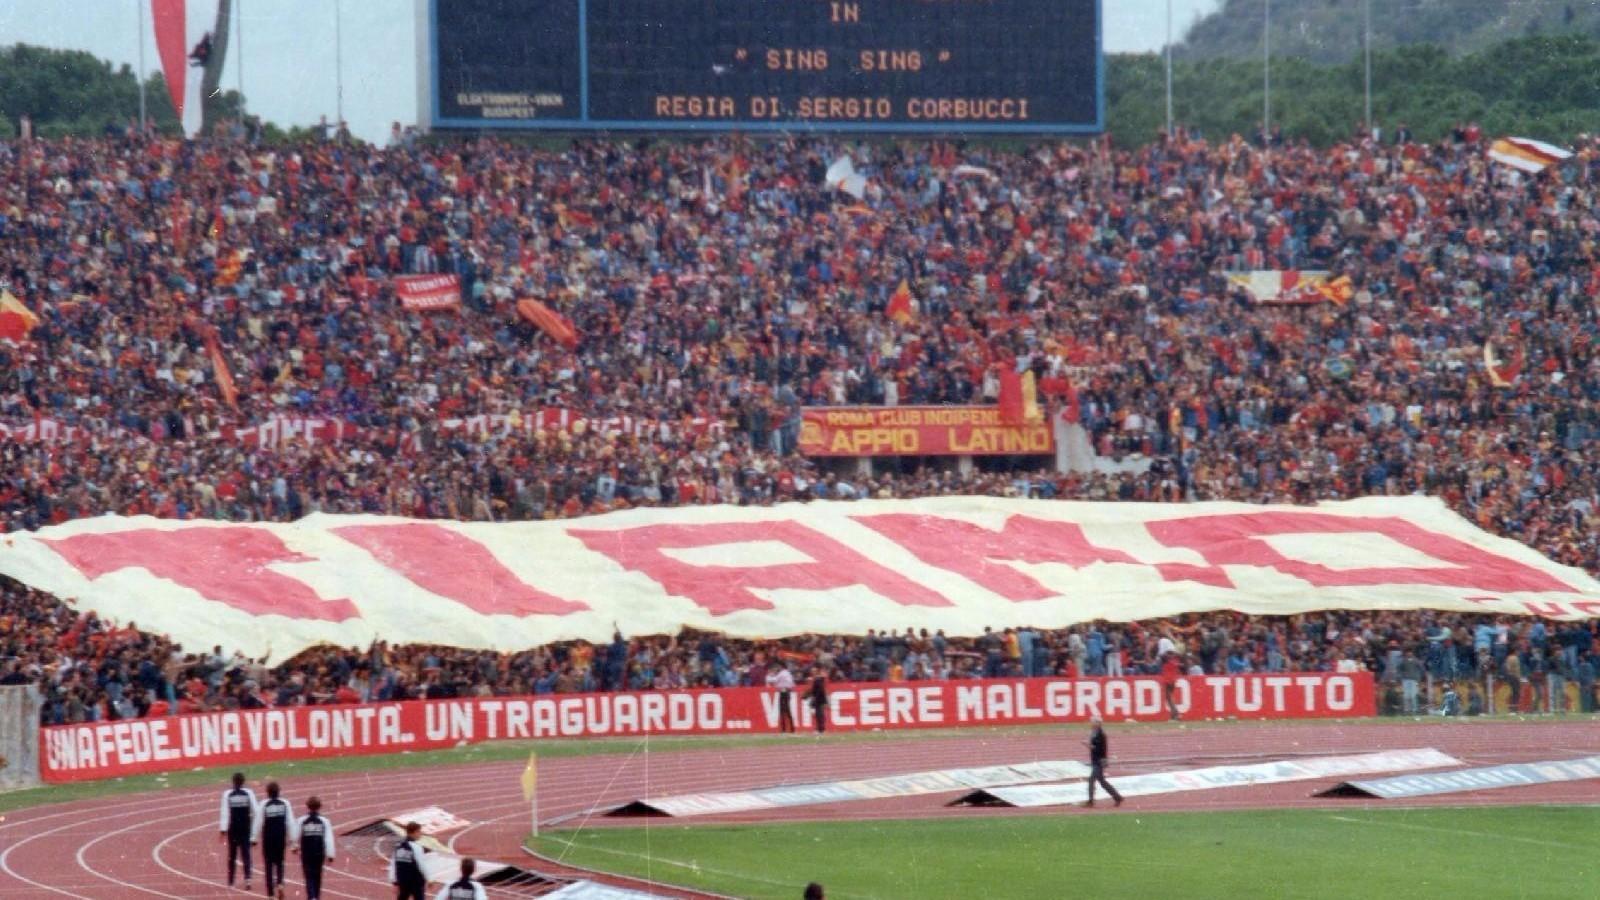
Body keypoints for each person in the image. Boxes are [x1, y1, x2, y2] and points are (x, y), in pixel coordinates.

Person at [218, 772, 259, 890]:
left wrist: (223, 829)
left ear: (233, 781)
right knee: (246, 853)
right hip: (245, 827)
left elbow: (225, 812)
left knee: (232, 855)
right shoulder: (249, 793)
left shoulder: (227, 794)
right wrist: (255, 828)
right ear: (243, 782)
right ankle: (248, 879)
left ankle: (231, 881)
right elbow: (256, 810)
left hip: (233, 827)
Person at [256, 781, 293, 900]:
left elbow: (258, 821)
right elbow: (290, 822)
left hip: (268, 837)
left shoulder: (264, 804)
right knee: (280, 861)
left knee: (268, 864)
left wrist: (253, 837)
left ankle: (271, 893)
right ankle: (280, 883)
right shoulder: (285, 803)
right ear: (279, 792)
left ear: (267, 793)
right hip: (280, 837)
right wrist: (293, 839)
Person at [294, 796, 336, 900]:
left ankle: (311, 896)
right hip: (319, 853)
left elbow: (296, 835)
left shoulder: (301, 821)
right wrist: (330, 854)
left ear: (307, 806)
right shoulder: (324, 821)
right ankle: (316, 896)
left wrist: (294, 846)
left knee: (308, 876)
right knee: (317, 876)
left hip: (306, 852)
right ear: (320, 807)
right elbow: (328, 839)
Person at [1083, 716, 1123, 808]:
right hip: (1096, 760)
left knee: (1092, 780)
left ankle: (1091, 801)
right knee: (1102, 782)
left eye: (1093, 722)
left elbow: (1098, 749)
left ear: (1098, 723)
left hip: (1099, 761)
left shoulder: (1101, 734)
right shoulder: (1095, 732)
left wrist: (1087, 745)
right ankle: (1117, 797)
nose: (1091, 724)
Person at [389, 821, 429, 900]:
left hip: (403, 880)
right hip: (415, 881)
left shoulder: (398, 846)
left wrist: (394, 881)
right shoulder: (417, 847)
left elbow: (393, 864)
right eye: (419, 831)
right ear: (414, 832)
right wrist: (428, 878)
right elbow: (421, 865)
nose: (421, 834)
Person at [767, 662, 796, 733]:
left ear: (781, 666)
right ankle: (791, 728)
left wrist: (770, 675)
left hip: (783, 692)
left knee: (783, 711)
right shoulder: (788, 673)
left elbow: (772, 680)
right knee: (787, 710)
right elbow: (792, 684)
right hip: (787, 692)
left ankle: (784, 729)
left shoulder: (782, 673)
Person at [806, 667, 828, 734]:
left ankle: (820, 729)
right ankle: (821, 729)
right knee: (819, 714)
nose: (812, 672)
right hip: (819, 699)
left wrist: (815, 698)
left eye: (814, 671)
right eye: (812, 671)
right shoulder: (817, 679)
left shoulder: (817, 679)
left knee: (819, 715)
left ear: (816, 672)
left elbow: (820, 690)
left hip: (818, 699)